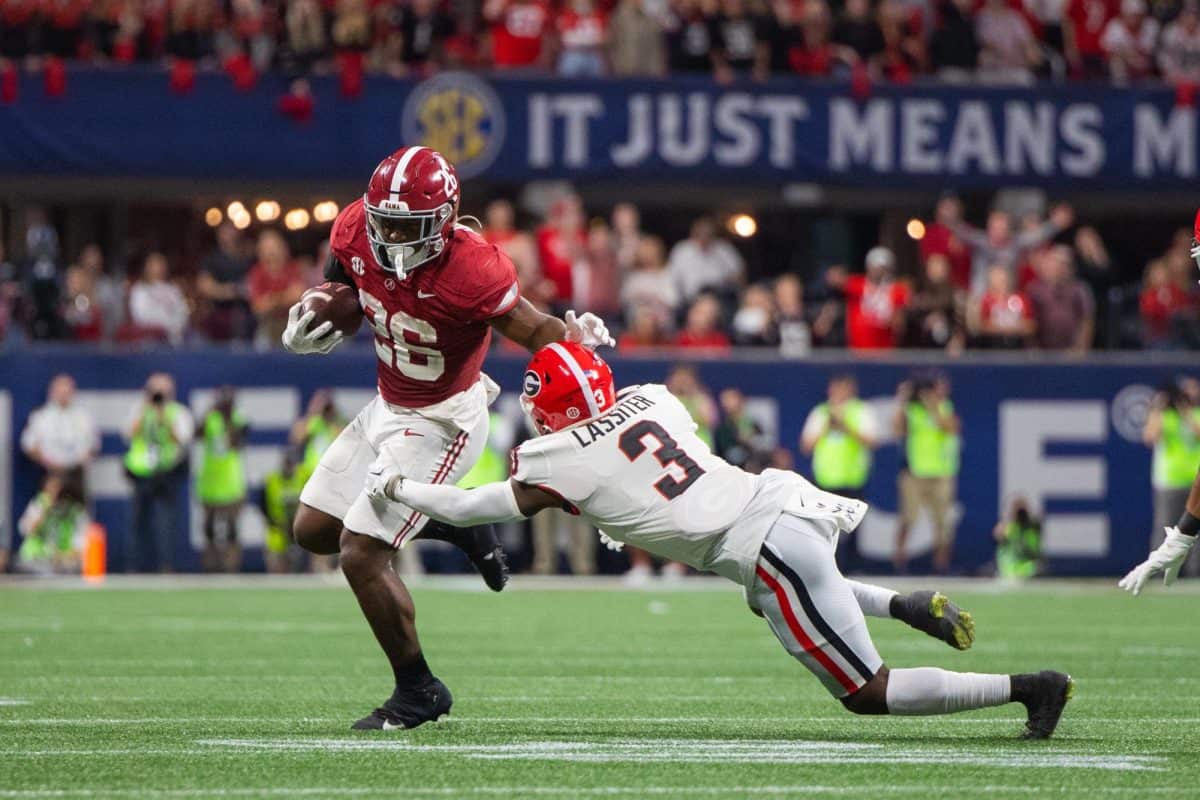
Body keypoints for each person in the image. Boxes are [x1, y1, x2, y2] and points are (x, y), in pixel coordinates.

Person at [370, 341, 1073, 740]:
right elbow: (651, 468)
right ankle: (904, 603)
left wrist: (399, 488)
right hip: (779, 501)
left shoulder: (559, 459)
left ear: (549, 406)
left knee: (867, 691)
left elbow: (467, 504)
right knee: (769, 596)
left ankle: (1028, 689)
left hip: (765, 544)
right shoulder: (654, 397)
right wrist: (614, 508)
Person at [280, 145, 614, 730]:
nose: (388, 238)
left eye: (404, 227)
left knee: (361, 554)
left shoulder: (473, 268)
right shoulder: (356, 229)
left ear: (442, 221)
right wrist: (313, 316)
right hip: (389, 403)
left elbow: (532, 327)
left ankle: (419, 690)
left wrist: (572, 337)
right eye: (382, 221)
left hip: (445, 418)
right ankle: (453, 521)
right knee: (312, 532)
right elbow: (347, 289)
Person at [800, 374, 877, 570]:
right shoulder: (821, 412)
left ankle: (852, 567)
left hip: (852, 477)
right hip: (826, 478)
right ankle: (826, 567)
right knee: (823, 526)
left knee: (852, 527)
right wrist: (827, 425)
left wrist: (846, 427)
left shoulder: (860, 411)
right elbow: (806, 445)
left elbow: (871, 441)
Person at [123, 373, 194, 573]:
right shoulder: (140, 410)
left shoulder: (178, 412)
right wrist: (146, 411)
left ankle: (166, 566)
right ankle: (133, 566)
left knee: (166, 523)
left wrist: (163, 417)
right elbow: (128, 434)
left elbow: (183, 440)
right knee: (137, 522)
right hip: (141, 472)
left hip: (166, 472)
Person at [893, 374, 961, 575]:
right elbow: (897, 430)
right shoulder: (911, 410)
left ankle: (942, 566)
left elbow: (950, 428)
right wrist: (901, 400)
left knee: (943, 523)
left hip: (940, 473)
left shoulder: (944, 407)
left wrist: (933, 405)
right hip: (915, 473)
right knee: (908, 518)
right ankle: (899, 561)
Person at [1140, 379, 1200, 578]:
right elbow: (1150, 436)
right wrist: (1157, 407)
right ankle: (1157, 572)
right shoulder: (1164, 416)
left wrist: (1185, 412)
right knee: (1166, 528)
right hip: (1170, 482)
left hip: (1195, 483)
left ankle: (1195, 573)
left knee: (1196, 533)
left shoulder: (1195, 415)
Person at [196, 386, 249, 573]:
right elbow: (197, 434)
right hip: (210, 481)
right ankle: (211, 565)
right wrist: (210, 410)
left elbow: (237, 440)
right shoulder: (211, 418)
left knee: (231, 528)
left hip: (231, 483)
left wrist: (228, 419)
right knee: (209, 527)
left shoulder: (238, 418)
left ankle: (231, 566)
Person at [20, 373, 99, 486]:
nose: (64, 395)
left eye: (67, 392)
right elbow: (29, 444)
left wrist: (78, 463)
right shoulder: (41, 416)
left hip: (76, 474)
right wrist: (48, 462)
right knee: (47, 503)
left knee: (76, 503)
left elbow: (94, 444)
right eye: (60, 392)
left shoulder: (84, 417)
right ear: (52, 392)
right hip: (50, 473)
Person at [15, 473, 89, 575]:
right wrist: (45, 511)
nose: (55, 493)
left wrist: (64, 556)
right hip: (37, 560)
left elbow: (83, 544)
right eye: (51, 489)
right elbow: (26, 530)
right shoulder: (40, 504)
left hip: (64, 564)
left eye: (58, 489)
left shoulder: (75, 511)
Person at [666, 216, 745, 306]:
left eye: (708, 234)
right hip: (690, 300)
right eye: (700, 234)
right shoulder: (682, 250)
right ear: (693, 234)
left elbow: (739, 273)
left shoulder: (723, 249)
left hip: (719, 299)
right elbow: (673, 278)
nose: (704, 237)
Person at [844, 247, 909, 351]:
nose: (877, 271)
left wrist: (885, 321)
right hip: (858, 350)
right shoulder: (856, 285)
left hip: (885, 351)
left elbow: (899, 324)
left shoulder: (897, 290)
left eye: (882, 268)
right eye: (874, 267)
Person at [248, 231, 305, 347]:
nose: (271, 252)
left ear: (284, 249)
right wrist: (284, 297)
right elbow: (258, 307)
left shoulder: (293, 268)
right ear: (260, 252)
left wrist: (271, 299)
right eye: (267, 248)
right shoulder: (256, 273)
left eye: (275, 247)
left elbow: (298, 296)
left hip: (293, 324)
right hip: (268, 326)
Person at [262, 449, 307, 574]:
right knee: (274, 555)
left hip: (298, 526)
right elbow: (263, 506)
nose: (289, 467)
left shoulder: (303, 478)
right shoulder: (271, 480)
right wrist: (275, 523)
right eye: (287, 463)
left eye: (291, 464)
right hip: (277, 526)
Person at [128, 252, 189, 344]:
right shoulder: (140, 289)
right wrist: (167, 324)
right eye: (156, 264)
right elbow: (141, 316)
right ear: (147, 267)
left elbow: (183, 312)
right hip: (150, 340)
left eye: (162, 264)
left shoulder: (173, 289)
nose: (160, 267)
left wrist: (176, 325)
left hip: (175, 338)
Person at [994, 498, 1042, 580]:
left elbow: (1035, 553)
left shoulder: (1033, 528)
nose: (1021, 515)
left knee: (1036, 567)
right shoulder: (1008, 527)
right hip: (1009, 569)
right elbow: (998, 535)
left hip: (1028, 569)